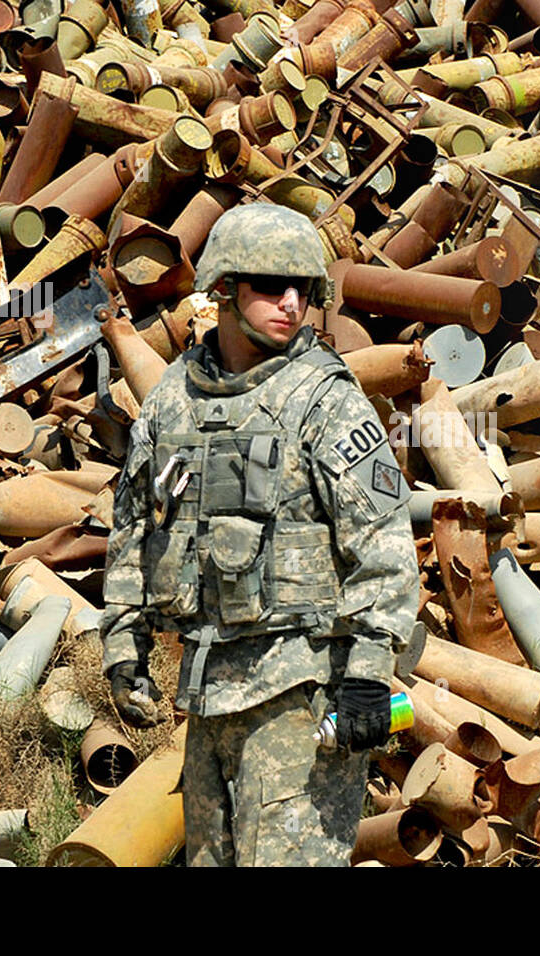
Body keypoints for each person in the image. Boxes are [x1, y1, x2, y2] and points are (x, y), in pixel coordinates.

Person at [99, 203, 418, 866]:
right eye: (270, 286)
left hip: (301, 695)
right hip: (209, 694)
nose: (291, 303)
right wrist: (122, 642)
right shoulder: (174, 398)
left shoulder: (326, 399)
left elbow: (384, 544)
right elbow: (143, 523)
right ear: (223, 288)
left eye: (304, 289)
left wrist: (366, 674)